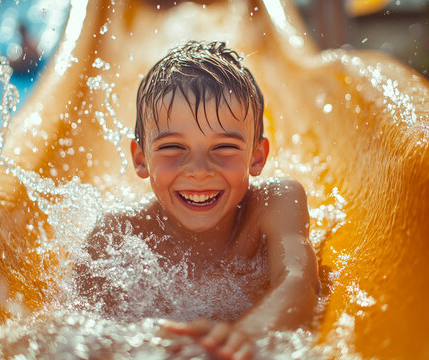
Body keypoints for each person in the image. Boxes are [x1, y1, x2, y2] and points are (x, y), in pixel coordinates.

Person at [79, 40, 320, 360]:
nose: (199, 171)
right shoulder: (118, 236)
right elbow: (85, 331)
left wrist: (245, 335)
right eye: (172, 148)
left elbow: (299, 282)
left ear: (257, 157)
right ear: (140, 160)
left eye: (224, 148)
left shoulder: (275, 202)